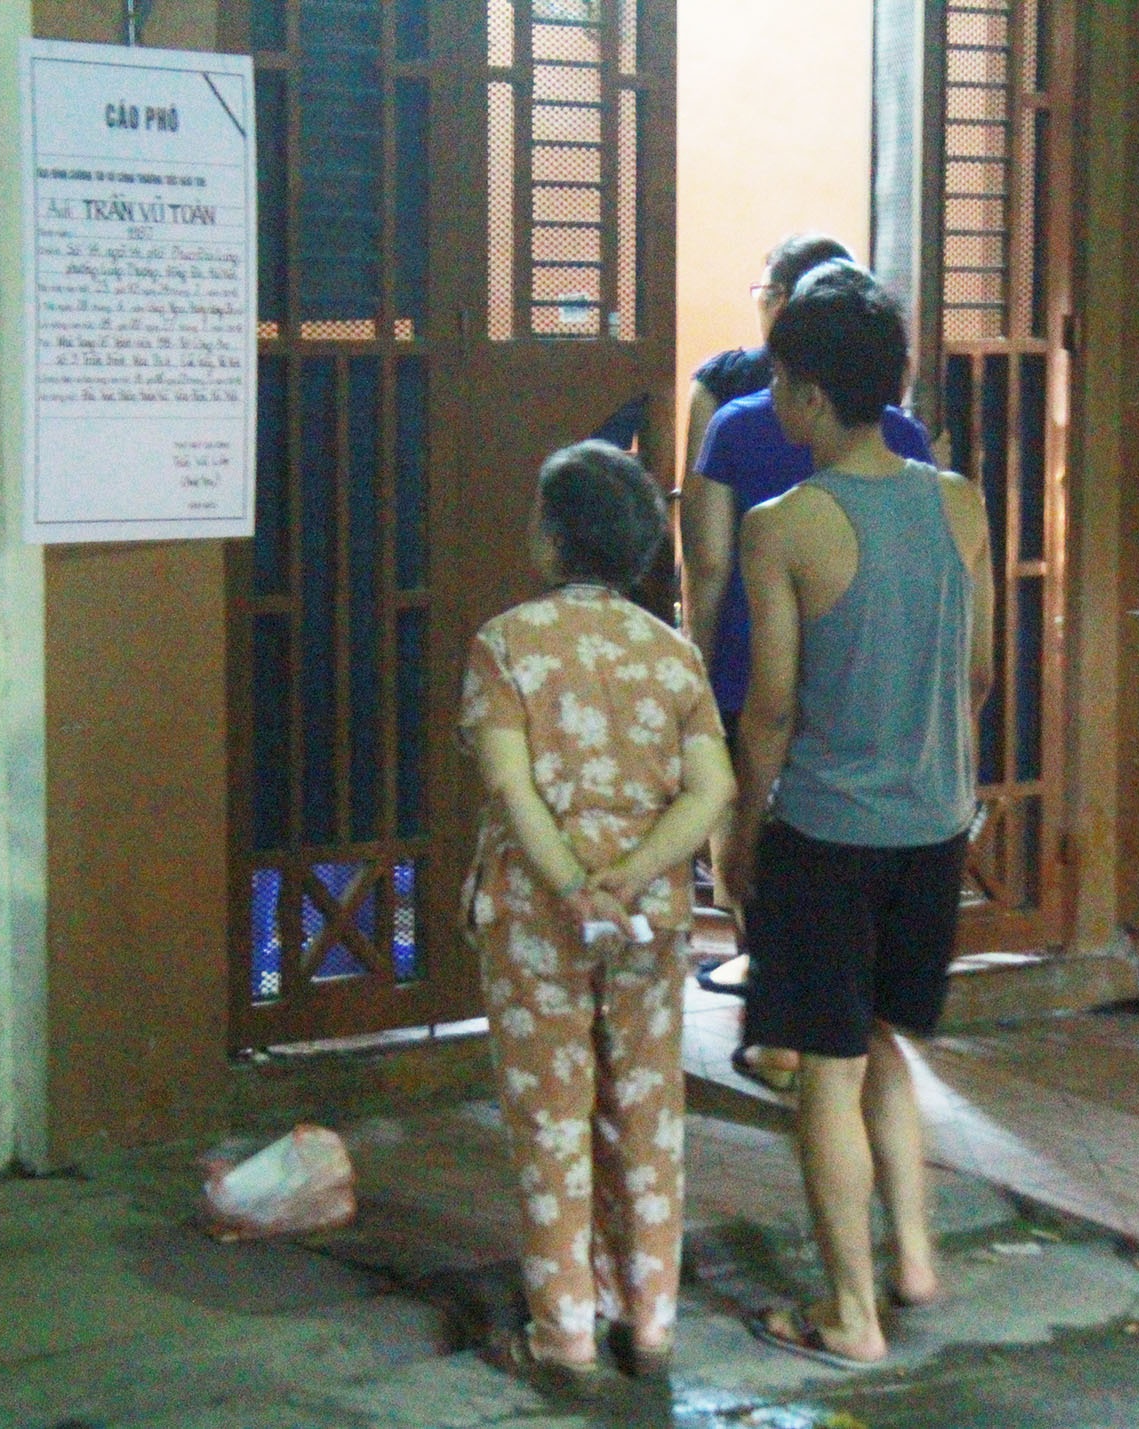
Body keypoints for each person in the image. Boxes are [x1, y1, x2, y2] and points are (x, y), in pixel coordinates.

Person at [719, 266, 993, 1368]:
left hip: (829, 833)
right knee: (885, 1042)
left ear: (811, 395)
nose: (775, 397)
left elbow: (772, 709)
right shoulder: (959, 502)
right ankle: (914, 1259)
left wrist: (741, 834)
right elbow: (978, 672)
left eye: (781, 379)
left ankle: (850, 1315)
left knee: (825, 1072)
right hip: (936, 826)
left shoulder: (785, 526)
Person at [459, 441, 736, 1388]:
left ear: (551, 537)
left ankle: (564, 1333)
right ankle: (649, 1324)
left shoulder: (507, 643)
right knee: (646, 1114)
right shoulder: (672, 652)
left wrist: (574, 879)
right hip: (648, 920)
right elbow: (712, 788)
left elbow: (511, 786)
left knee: (552, 1117)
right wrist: (631, 876)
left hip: (536, 917)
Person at [680, 238, 934, 1091]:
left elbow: (707, 562)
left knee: (764, 834)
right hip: (868, 679)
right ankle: (836, 1020)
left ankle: (783, 1023)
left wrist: (697, 662)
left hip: (754, 663)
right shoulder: (911, 441)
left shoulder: (735, 423)